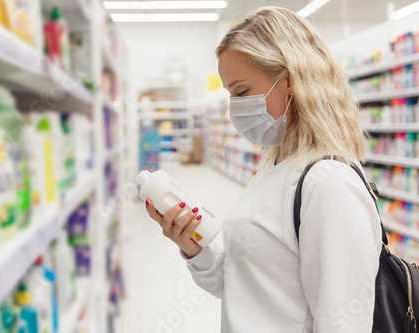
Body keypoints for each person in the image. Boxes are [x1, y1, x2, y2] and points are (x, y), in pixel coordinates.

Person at [145, 6, 382, 333]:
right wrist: (193, 245)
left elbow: (343, 324)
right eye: (230, 95)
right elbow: (243, 286)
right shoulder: (275, 163)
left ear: (289, 81)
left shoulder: (329, 185)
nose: (234, 108)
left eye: (241, 92)